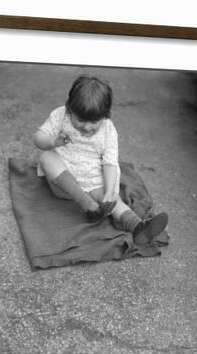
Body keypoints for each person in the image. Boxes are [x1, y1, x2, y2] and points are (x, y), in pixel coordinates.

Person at [33, 75, 168, 245]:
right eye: (80, 120)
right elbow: (38, 138)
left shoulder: (108, 130)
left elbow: (110, 163)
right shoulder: (60, 115)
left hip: (93, 183)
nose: (86, 127)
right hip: (64, 184)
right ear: (69, 109)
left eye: (94, 122)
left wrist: (110, 191)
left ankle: (137, 227)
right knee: (46, 157)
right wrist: (52, 142)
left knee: (111, 199)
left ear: (106, 116)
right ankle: (86, 203)